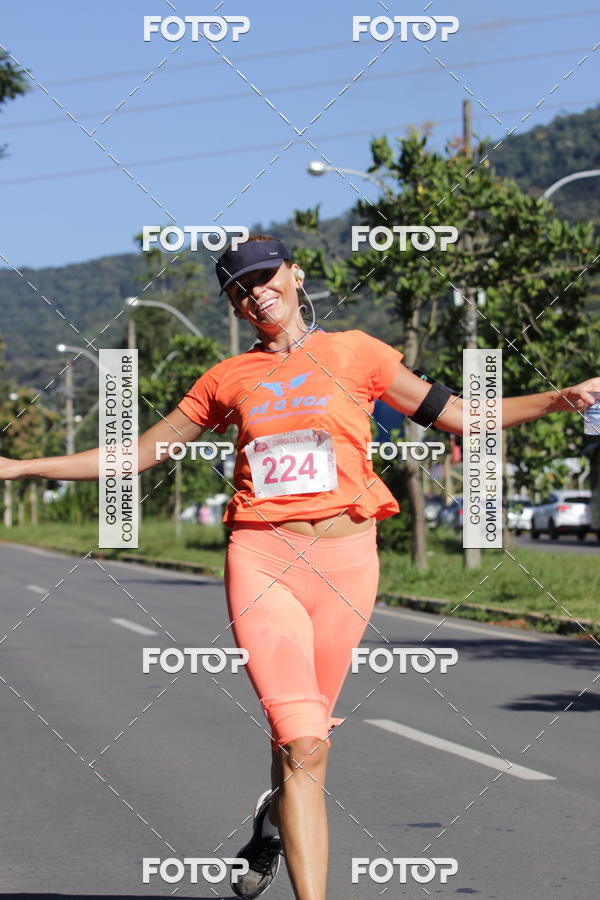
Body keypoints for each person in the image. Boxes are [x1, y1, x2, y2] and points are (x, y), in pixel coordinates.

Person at [1, 234, 598, 900]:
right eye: (239, 289)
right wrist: (20, 467)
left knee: (301, 741)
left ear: (295, 274)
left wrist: (561, 398)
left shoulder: (358, 352)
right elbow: (137, 454)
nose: (256, 294)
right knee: (304, 741)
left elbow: (456, 414)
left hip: (350, 563)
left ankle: (272, 823)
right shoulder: (226, 379)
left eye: (264, 277)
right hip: (264, 559)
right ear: (233, 305)